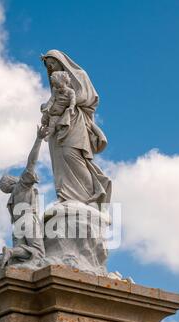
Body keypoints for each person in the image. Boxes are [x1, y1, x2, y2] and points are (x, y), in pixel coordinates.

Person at [41, 50, 112, 206]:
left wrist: (67, 103)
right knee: (60, 159)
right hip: (58, 125)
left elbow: (91, 98)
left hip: (75, 120)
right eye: (48, 66)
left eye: (52, 63)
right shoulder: (56, 88)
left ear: (60, 60)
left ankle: (93, 192)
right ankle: (66, 196)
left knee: (72, 155)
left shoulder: (80, 75)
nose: (51, 68)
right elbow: (52, 103)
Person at [0, 125, 48, 277]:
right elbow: (31, 162)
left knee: (18, 259)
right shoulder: (22, 185)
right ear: (12, 181)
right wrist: (38, 139)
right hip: (28, 220)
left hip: (17, 225)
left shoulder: (12, 199)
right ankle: (10, 251)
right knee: (38, 253)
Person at [41, 71, 76, 141]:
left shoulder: (70, 91)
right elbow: (52, 100)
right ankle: (44, 122)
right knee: (43, 114)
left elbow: (73, 100)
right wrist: (47, 107)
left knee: (52, 125)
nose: (58, 89)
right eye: (56, 86)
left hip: (56, 114)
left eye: (59, 86)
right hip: (50, 110)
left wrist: (71, 107)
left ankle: (49, 135)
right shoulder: (55, 90)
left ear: (65, 82)